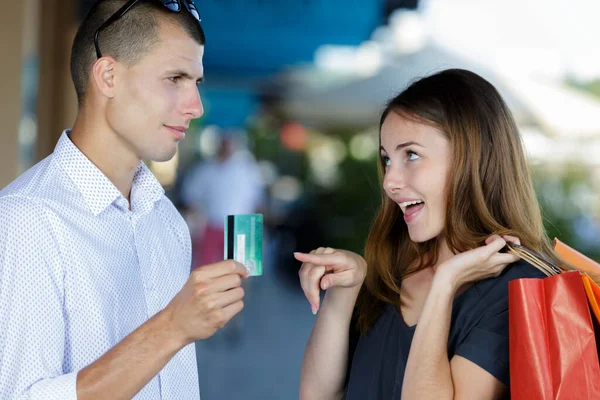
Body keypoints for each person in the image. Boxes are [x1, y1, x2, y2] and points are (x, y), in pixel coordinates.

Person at [0, 1, 248, 399]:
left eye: (196, 82)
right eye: (174, 78)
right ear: (108, 75)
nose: (195, 107)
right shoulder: (28, 219)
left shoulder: (165, 219)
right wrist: (172, 328)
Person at [295, 69, 558, 399]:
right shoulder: (392, 270)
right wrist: (344, 294)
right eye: (386, 159)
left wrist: (444, 285)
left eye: (411, 155)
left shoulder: (521, 290)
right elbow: (316, 396)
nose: (390, 180)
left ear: (477, 154)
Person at [181, 129, 265, 270]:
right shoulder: (205, 169)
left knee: (244, 271)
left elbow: (258, 199)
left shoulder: (247, 169)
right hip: (212, 223)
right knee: (206, 269)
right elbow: (190, 197)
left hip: (242, 224)